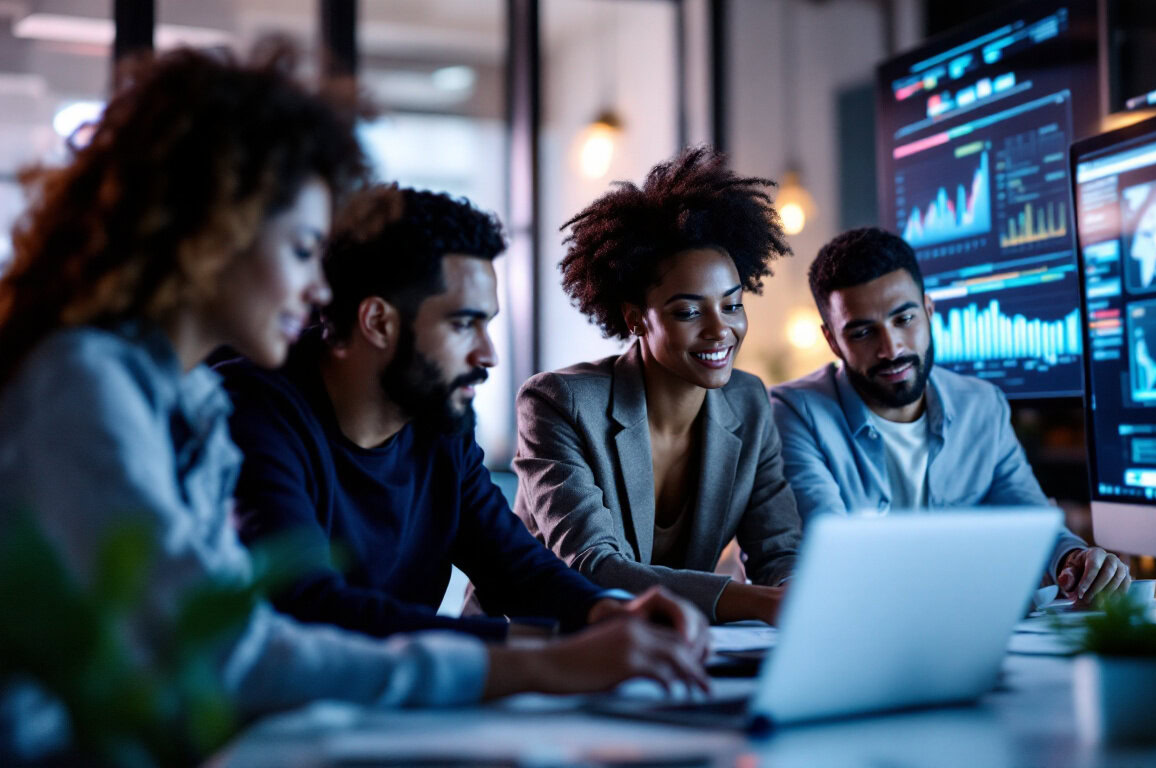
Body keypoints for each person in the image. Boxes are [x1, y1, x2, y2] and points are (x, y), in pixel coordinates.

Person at [0, 47, 707, 740]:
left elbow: (238, 633)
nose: (318, 289)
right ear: (215, 235)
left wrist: (601, 617)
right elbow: (234, 649)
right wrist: (541, 662)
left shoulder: (189, 404)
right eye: (304, 250)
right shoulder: (87, 383)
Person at [219, 183, 705, 644]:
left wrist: (612, 613)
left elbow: (514, 566)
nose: (488, 354)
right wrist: (541, 648)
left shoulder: (439, 421)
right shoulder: (252, 415)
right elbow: (311, 608)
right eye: (463, 323)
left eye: (487, 324)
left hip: (394, 713)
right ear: (378, 322)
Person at [513, 147, 803, 624]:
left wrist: (796, 593)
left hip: (676, 649)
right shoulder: (558, 403)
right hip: (551, 650)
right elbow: (594, 567)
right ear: (635, 319)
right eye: (688, 312)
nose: (719, 330)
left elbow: (777, 550)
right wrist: (762, 603)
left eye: (732, 305)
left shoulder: (749, 402)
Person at [771, 228, 1130, 603]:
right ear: (832, 340)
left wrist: (1075, 560)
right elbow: (828, 550)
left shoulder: (982, 406)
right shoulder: (794, 412)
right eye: (863, 332)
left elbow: (1033, 521)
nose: (891, 349)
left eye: (904, 319)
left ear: (928, 310)